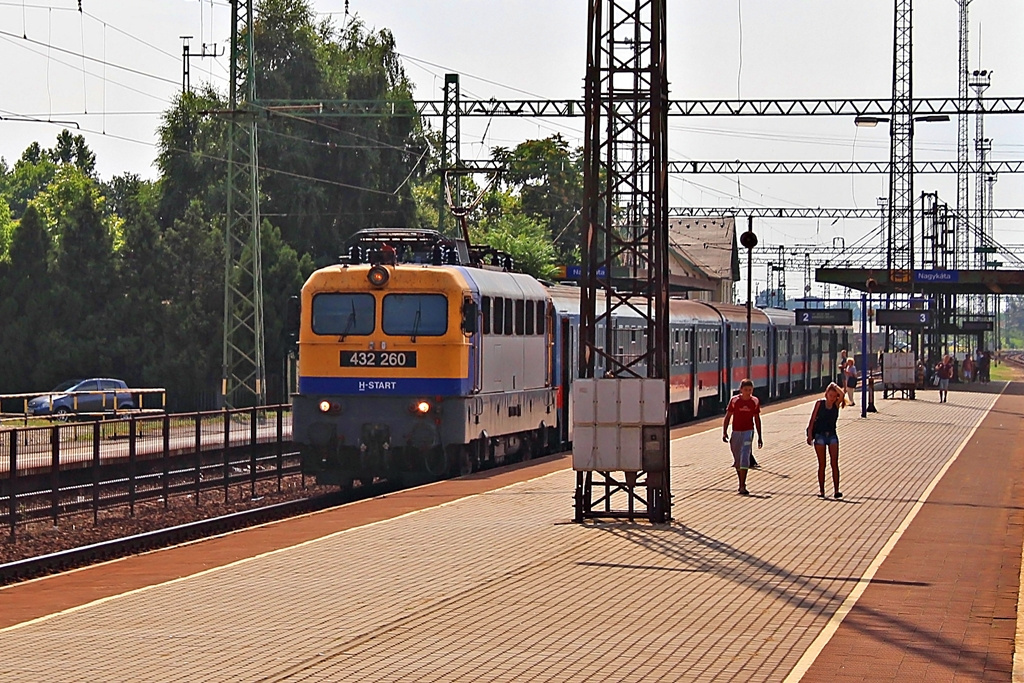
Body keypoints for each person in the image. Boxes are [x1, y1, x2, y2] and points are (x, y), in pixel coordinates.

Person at [722, 378, 763, 495]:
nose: (748, 392)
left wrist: (760, 436)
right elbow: (728, 416)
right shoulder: (734, 401)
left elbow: (757, 418)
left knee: (745, 456)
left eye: (750, 390)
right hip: (736, 433)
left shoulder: (754, 401)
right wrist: (724, 431)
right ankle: (740, 480)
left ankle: (742, 485)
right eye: (746, 390)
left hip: (748, 432)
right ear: (741, 390)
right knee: (737, 460)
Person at [806, 382, 846, 499]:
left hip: (832, 435)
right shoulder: (819, 404)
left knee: (834, 463)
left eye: (834, 396)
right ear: (826, 394)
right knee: (822, 464)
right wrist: (809, 435)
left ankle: (836, 490)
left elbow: (842, 394)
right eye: (830, 395)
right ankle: (822, 490)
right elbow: (812, 420)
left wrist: (834, 385)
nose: (832, 398)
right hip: (820, 436)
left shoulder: (836, 405)